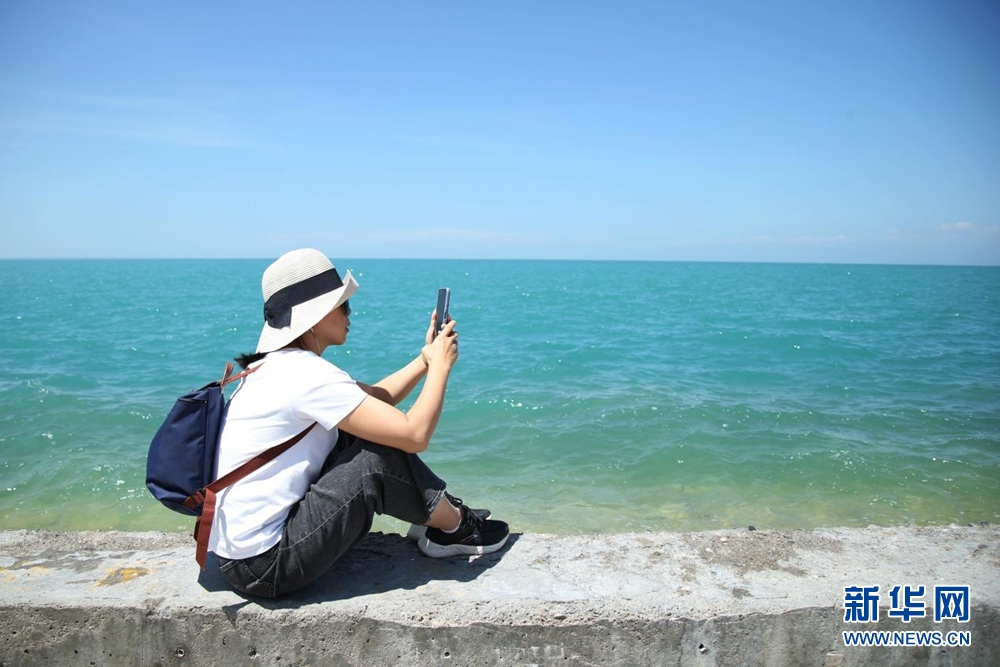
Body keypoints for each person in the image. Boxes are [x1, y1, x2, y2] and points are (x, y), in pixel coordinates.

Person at [208, 248, 509, 598]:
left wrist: (426, 358)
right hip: (265, 565)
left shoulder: (275, 367)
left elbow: (378, 399)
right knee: (373, 457)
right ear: (317, 315)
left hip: (239, 556)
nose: (350, 313)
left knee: (362, 431)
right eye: (344, 305)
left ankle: (434, 513)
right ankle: (455, 527)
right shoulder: (306, 375)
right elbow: (415, 435)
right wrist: (442, 368)